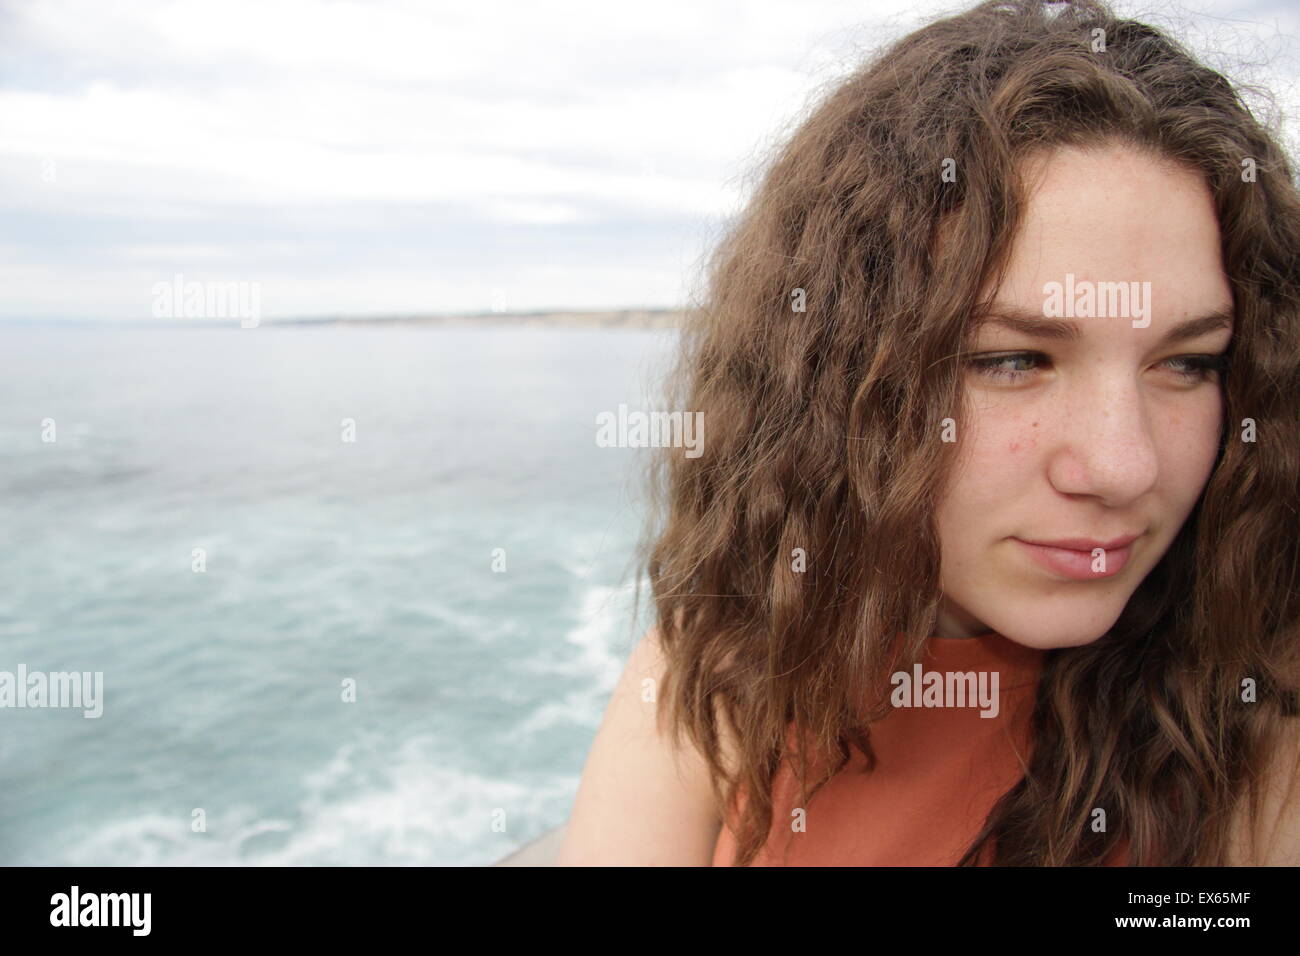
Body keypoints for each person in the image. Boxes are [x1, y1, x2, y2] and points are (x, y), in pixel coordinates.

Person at [556, 0, 1300, 866]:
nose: (1124, 465)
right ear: (838, 382)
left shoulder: (1258, 726)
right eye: (1014, 360)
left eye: (1190, 364)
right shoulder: (720, 673)